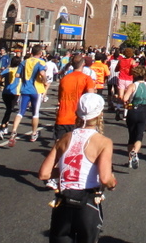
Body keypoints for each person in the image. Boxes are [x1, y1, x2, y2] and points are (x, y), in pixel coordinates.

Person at [38, 93, 117, 243]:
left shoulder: (65, 138)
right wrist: (113, 183)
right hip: (88, 203)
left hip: (63, 203)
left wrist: (69, 170)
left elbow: (44, 174)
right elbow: (105, 178)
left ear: (78, 113)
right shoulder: (103, 142)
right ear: (100, 114)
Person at [120, 64, 146, 170]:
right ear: (145, 76)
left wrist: (127, 103)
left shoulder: (132, 86)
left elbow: (125, 99)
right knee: (139, 134)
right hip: (143, 111)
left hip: (132, 111)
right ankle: (135, 152)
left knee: (131, 136)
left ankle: (129, 160)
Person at [7, 44, 47, 145]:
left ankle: (14, 131)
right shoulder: (41, 62)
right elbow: (42, 73)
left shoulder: (24, 62)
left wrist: (24, 77)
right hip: (36, 89)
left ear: (31, 52)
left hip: (25, 89)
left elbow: (17, 74)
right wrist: (45, 81)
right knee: (35, 113)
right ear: (40, 53)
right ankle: (34, 133)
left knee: (21, 112)